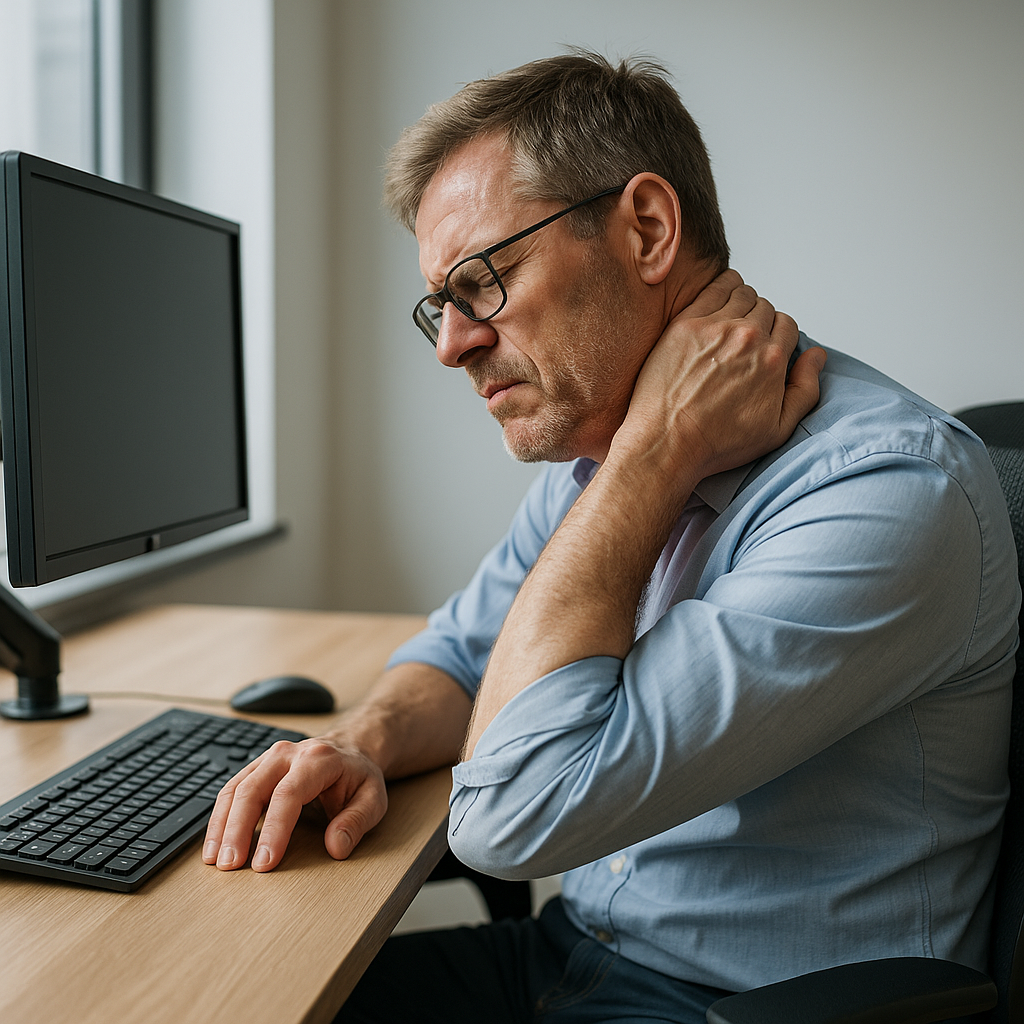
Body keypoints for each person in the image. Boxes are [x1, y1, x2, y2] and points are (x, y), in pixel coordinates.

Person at [202, 52, 1020, 1024]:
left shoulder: (889, 491)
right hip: (578, 951)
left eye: (483, 281)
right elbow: (461, 657)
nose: (450, 343)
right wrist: (365, 742)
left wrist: (653, 457)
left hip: (736, 1006)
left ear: (645, 228)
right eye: (439, 302)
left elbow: (511, 818)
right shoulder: (605, 457)